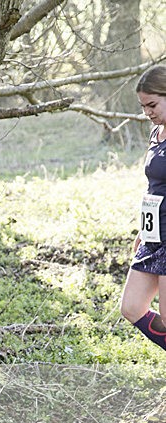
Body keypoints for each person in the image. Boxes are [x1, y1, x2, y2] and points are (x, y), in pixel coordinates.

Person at [120, 65, 166, 351]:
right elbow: (154, 187)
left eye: (152, 105)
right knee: (132, 306)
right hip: (154, 234)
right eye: (143, 106)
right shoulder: (156, 133)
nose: (147, 112)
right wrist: (144, 229)